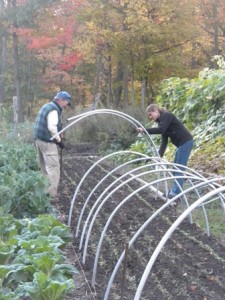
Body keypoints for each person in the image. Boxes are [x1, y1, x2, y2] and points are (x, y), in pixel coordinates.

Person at [137, 103, 194, 198]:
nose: (150, 117)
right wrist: (160, 155)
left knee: (179, 168)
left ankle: (175, 193)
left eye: (151, 114)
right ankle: (178, 188)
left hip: (186, 142)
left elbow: (161, 130)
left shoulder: (167, 116)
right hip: (181, 145)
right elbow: (164, 140)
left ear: (156, 110)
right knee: (175, 169)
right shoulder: (162, 122)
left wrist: (144, 130)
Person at [34, 91, 72, 202]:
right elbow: (51, 128)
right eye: (66, 102)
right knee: (53, 167)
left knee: (44, 167)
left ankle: (43, 192)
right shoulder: (54, 110)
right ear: (60, 100)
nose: (66, 105)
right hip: (47, 141)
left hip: (39, 139)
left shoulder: (47, 106)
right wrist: (59, 141)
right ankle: (51, 195)